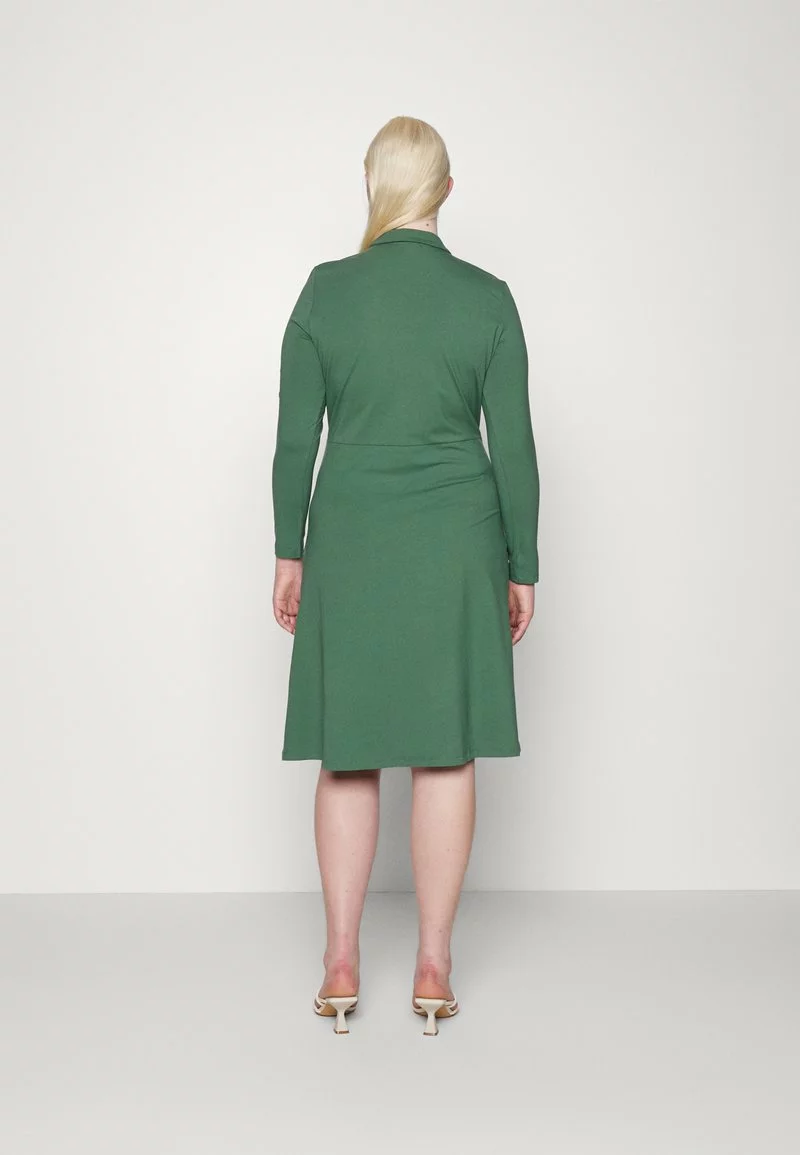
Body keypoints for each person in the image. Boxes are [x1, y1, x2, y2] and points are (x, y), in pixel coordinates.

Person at [271, 116, 540, 1036]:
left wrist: (288, 549)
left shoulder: (325, 291)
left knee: (347, 748)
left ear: (372, 185)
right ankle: (433, 965)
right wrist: (523, 564)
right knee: (445, 746)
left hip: (350, 535)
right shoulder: (488, 299)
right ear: (446, 190)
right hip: (459, 539)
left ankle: (340, 960)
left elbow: (293, 442)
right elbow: (516, 449)